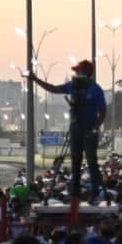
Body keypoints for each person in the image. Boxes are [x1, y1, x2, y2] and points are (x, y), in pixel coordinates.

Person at [29, 60, 106, 200]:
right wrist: (35, 79)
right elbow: (52, 89)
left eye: (78, 71)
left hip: (89, 131)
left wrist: (94, 130)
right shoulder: (73, 86)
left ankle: (95, 191)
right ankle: (75, 194)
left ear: (85, 73)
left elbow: (103, 112)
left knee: (91, 162)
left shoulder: (95, 89)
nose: (75, 73)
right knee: (75, 161)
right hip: (75, 128)